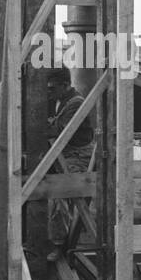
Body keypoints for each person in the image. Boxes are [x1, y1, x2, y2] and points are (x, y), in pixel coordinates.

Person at [45, 71, 95, 259]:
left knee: (60, 192)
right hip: (66, 154)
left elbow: (60, 130)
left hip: (77, 156)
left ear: (65, 85)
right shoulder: (62, 102)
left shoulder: (75, 102)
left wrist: (48, 125)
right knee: (50, 189)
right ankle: (56, 240)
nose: (49, 92)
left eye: (52, 88)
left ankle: (59, 244)